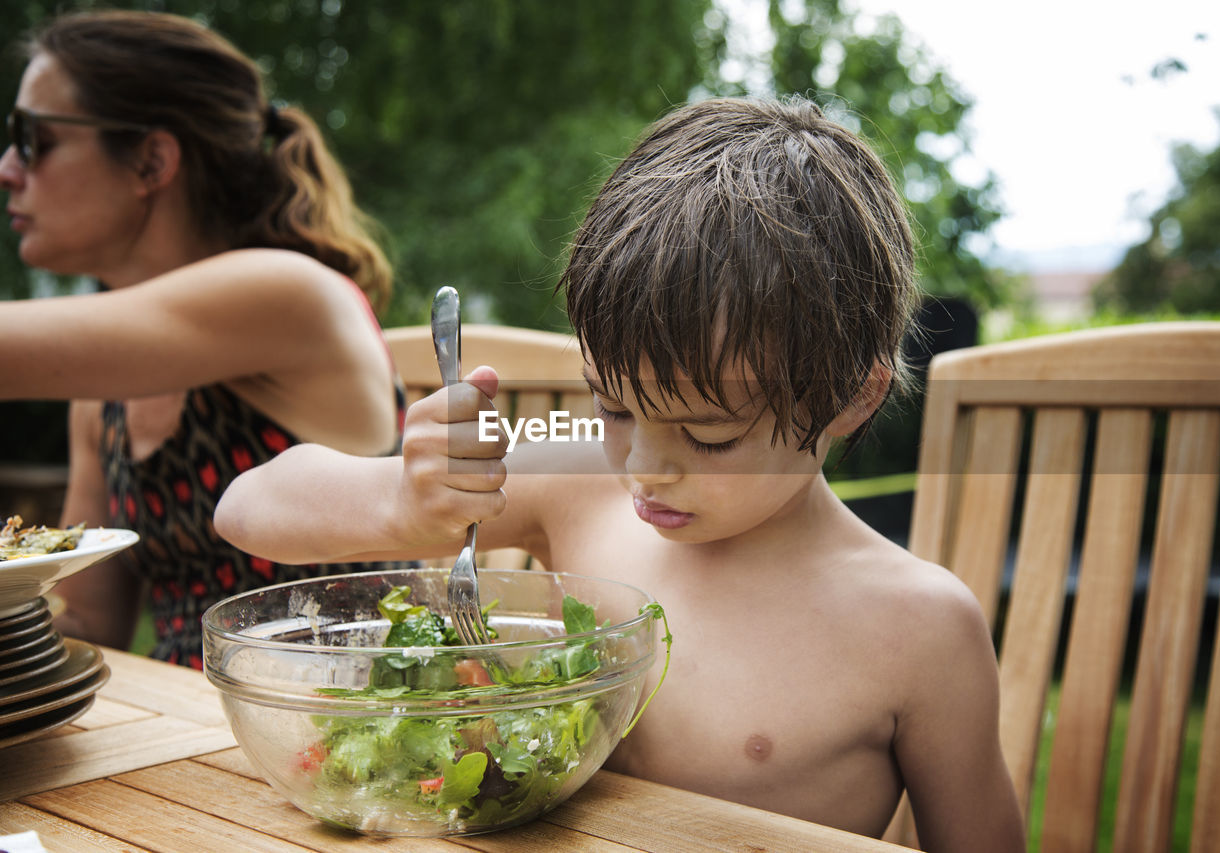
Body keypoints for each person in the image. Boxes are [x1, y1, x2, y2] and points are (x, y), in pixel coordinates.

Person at [213, 96, 1024, 848]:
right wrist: (401, 500)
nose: (645, 468)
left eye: (707, 437)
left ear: (851, 398)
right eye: (615, 409)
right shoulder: (576, 485)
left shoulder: (917, 629)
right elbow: (249, 509)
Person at [0, 10, 417, 669]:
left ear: (151, 160)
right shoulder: (104, 392)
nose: (7, 169)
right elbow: (92, 622)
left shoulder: (285, 295)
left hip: (348, 726)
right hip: (182, 732)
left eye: (33, 139)